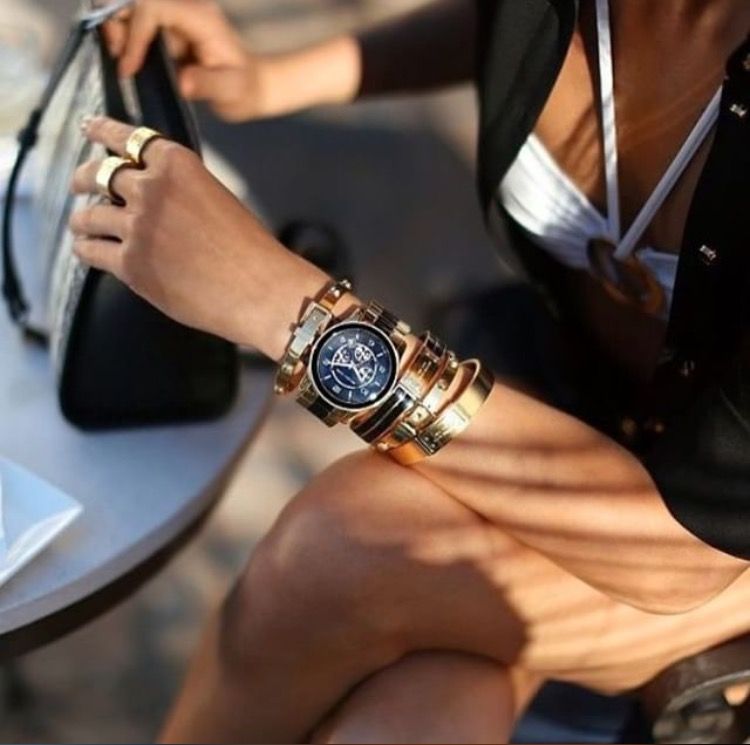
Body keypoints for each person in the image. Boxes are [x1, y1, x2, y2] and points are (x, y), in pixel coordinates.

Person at [67, 0, 750, 742]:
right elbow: (513, 27)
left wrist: (286, 310)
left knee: (342, 547)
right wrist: (275, 78)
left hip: (704, 546)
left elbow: (681, 550)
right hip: (572, 392)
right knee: (415, 716)